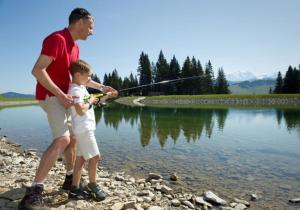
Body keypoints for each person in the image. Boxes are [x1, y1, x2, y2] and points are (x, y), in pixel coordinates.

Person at [18, 8, 114, 209]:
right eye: (90, 26)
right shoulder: (57, 39)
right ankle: (35, 191)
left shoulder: (75, 48)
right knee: (63, 139)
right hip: (52, 96)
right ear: (79, 23)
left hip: (67, 98)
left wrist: (102, 88)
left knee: (74, 138)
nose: (91, 31)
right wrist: (60, 94)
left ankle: (70, 179)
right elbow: (37, 70)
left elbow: (81, 77)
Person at [67, 60, 117, 201]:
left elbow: (93, 103)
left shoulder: (82, 88)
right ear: (78, 75)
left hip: (85, 129)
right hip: (84, 129)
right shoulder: (75, 90)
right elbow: (81, 110)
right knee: (95, 157)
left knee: (81, 158)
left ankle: (75, 189)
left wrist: (107, 96)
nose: (90, 79)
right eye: (88, 76)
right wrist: (90, 100)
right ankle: (92, 185)